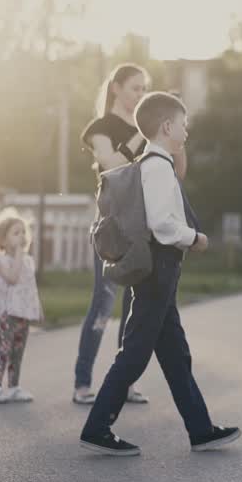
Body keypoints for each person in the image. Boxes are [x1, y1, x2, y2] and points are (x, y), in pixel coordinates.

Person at [79, 92, 240, 456]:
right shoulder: (156, 167)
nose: (187, 130)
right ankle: (97, 426)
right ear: (167, 127)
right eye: (183, 124)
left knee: (175, 354)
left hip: (161, 270)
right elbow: (163, 224)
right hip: (158, 268)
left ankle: (201, 430)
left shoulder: (157, 163)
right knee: (134, 353)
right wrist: (194, 238)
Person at [73, 64, 186, 405]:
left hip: (145, 226)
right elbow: (111, 165)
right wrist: (145, 130)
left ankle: (124, 383)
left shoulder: (152, 133)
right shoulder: (100, 128)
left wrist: (173, 128)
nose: (141, 94)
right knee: (103, 306)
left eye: (145, 89)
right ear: (117, 88)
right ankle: (82, 383)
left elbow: (177, 173)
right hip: (112, 228)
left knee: (135, 309)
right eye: (136, 88)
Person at [0, 208, 44, 404]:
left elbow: (30, 286)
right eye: (16, 233)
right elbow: (13, 278)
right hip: (6, 315)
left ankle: (14, 387)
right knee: (4, 350)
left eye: (23, 232)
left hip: (23, 313)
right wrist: (18, 253)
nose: (22, 236)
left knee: (18, 352)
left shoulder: (27, 261)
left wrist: (38, 308)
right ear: (2, 240)